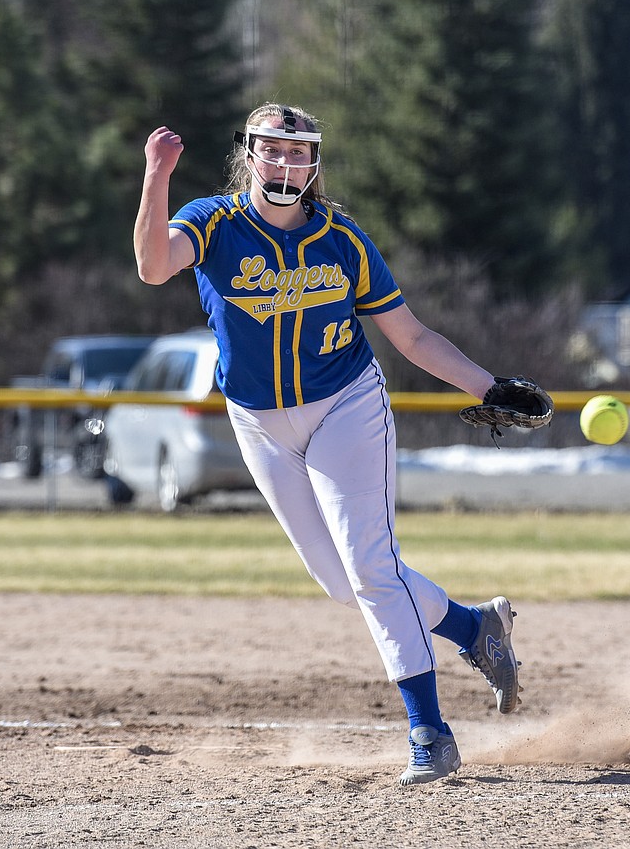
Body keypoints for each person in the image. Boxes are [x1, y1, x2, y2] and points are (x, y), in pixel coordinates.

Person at [134, 103, 524, 785]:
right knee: (346, 584)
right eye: (272, 150)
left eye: (298, 151)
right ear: (248, 155)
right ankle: (474, 628)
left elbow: (413, 337)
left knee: (373, 568)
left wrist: (489, 386)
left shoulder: (342, 239)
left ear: (315, 162)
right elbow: (153, 264)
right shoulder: (213, 223)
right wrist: (156, 175)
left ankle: (430, 733)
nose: (284, 163)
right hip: (259, 421)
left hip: (346, 405)